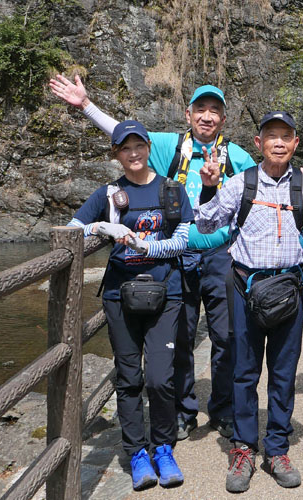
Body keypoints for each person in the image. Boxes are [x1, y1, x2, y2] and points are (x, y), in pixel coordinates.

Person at [49, 75, 257, 440]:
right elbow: (124, 137)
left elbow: (259, 196)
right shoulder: (168, 146)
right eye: (201, 109)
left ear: (224, 119)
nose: (207, 116)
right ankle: (184, 410)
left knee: (225, 336)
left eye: (215, 111)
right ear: (188, 114)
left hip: (221, 256)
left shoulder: (238, 157)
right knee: (181, 336)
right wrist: (85, 105)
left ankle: (222, 408)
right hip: (176, 257)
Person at [195, 111, 303, 492]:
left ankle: (277, 448)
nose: (279, 142)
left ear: (296, 143)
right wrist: (209, 188)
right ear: (259, 143)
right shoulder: (241, 183)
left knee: (284, 373)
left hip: (289, 288)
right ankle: (243, 448)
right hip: (244, 288)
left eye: (286, 136)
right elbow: (205, 223)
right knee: (244, 372)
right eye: (271, 136)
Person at [67, 120, 191, 491]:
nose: (133, 153)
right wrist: (102, 228)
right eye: (125, 148)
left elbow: (182, 242)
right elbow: (70, 229)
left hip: (166, 293)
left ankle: (163, 447)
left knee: (160, 377)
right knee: (129, 377)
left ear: (149, 148)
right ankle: (137, 452)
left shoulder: (172, 190)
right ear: (117, 154)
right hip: (120, 295)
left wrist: (143, 245)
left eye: (139, 146)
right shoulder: (108, 194)